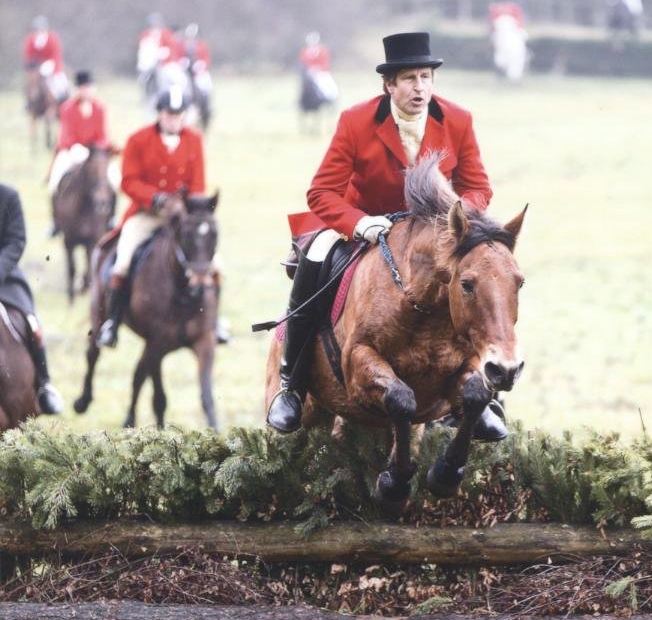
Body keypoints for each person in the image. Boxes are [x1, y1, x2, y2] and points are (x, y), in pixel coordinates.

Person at [267, 30, 507, 440]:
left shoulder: (458, 119)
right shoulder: (355, 121)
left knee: (487, 275)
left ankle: (485, 395)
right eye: (410, 78)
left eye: (426, 77)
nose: (420, 87)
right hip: (367, 225)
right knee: (315, 257)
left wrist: (457, 215)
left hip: (436, 233)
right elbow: (321, 192)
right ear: (389, 84)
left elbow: (479, 187)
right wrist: (360, 223)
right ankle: (291, 384)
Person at [96, 86, 228, 348]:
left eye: (179, 115)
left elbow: (198, 184)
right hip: (145, 215)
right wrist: (156, 198)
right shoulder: (138, 140)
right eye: (169, 114)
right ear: (159, 114)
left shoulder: (194, 140)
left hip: (183, 220)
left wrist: (184, 205)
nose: (174, 120)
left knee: (216, 266)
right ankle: (112, 321)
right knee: (122, 260)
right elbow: (128, 181)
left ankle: (215, 321)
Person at [0, 183, 64, 414]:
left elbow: (16, 241)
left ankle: (44, 386)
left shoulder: (8, 196)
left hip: (4, 279)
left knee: (32, 323)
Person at [47, 71, 119, 233]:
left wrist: (96, 148)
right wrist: (75, 146)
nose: (86, 91)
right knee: (55, 179)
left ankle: (112, 217)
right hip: (72, 150)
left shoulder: (100, 108)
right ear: (78, 89)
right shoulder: (67, 108)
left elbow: (102, 135)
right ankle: (55, 222)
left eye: (89, 87)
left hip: (95, 152)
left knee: (114, 180)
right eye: (83, 87)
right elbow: (65, 134)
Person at [22, 15, 68, 103]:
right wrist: (32, 65)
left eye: (41, 29)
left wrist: (51, 65)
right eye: (37, 29)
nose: (39, 31)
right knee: (31, 82)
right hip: (36, 65)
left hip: (52, 64)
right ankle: (27, 103)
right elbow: (28, 54)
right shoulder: (31, 39)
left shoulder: (52, 38)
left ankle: (62, 98)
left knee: (60, 82)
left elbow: (56, 54)